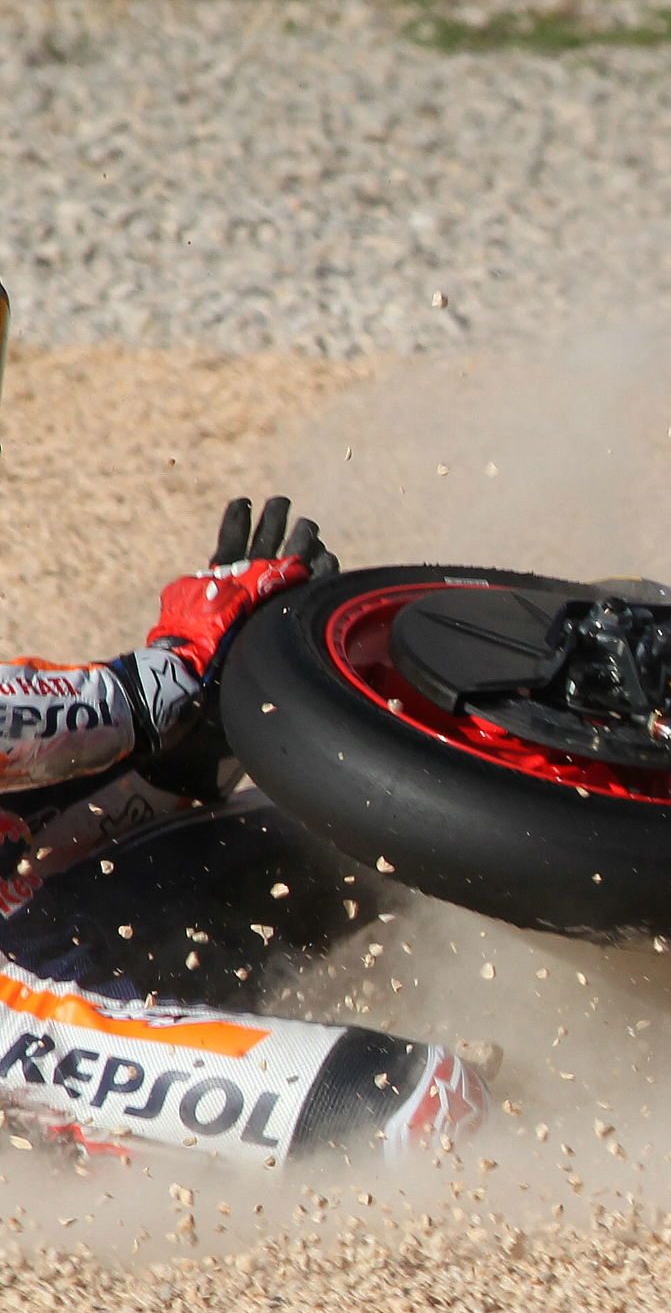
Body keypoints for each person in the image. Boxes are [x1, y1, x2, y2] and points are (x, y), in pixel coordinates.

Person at [0, 498, 489, 1166]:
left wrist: (185, 741)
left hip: (40, 924)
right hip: (23, 1028)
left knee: (384, 819)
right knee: (419, 1108)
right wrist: (164, 678)